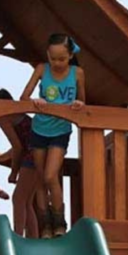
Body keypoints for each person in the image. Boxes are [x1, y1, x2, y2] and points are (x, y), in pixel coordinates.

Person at [20, 33, 85, 238]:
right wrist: (35, 102)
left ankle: (59, 222)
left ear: (70, 56)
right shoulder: (41, 69)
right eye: (53, 58)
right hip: (40, 129)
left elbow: (83, 100)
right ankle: (45, 224)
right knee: (40, 178)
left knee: (50, 175)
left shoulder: (77, 73)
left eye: (62, 59)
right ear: (47, 55)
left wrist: (79, 104)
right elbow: (24, 97)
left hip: (61, 129)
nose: (57, 63)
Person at [0, 88, 39, 238]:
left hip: (32, 156)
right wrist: (0, 157)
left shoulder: (4, 118)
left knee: (18, 198)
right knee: (27, 201)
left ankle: (17, 237)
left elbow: (18, 147)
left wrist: (14, 172)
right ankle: (33, 238)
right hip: (44, 154)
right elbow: (21, 143)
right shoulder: (18, 115)